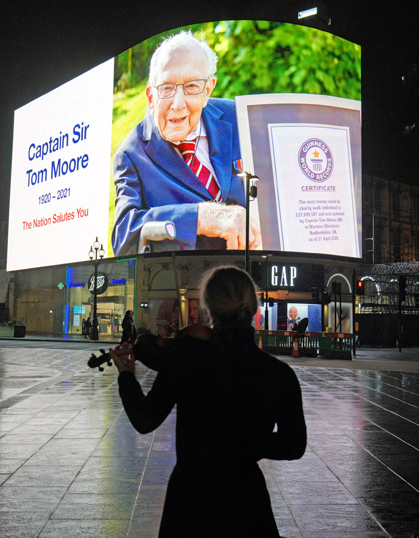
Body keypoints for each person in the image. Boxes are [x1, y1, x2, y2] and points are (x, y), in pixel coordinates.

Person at [109, 266, 306, 536]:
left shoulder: (185, 359)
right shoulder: (279, 374)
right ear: (253, 308)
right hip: (246, 504)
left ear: (208, 308)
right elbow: (294, 445)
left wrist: (127, 376)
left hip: (189, 502)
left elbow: (144, 420)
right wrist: (245, 443)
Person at [111, 31, 261, 256]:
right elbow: (124, 238)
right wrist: (203, 217)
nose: (178, 104)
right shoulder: (131, 155)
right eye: (167, 88)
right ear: (151, 97)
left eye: (191, 86)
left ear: (207, 90)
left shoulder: (239, 118)